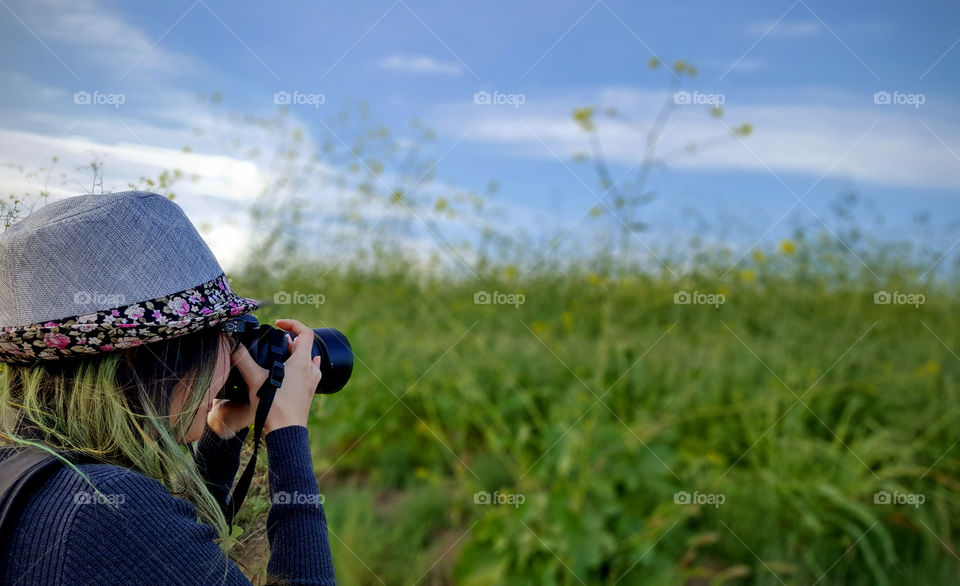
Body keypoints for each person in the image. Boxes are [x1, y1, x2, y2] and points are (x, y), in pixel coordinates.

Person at [0, 191, 337, 585]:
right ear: (141, 359)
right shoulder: (106, 511)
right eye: (225, 334)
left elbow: (174, 557)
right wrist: (288, 434)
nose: (231, 356)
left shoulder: (28, 475)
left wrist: (222, 435)